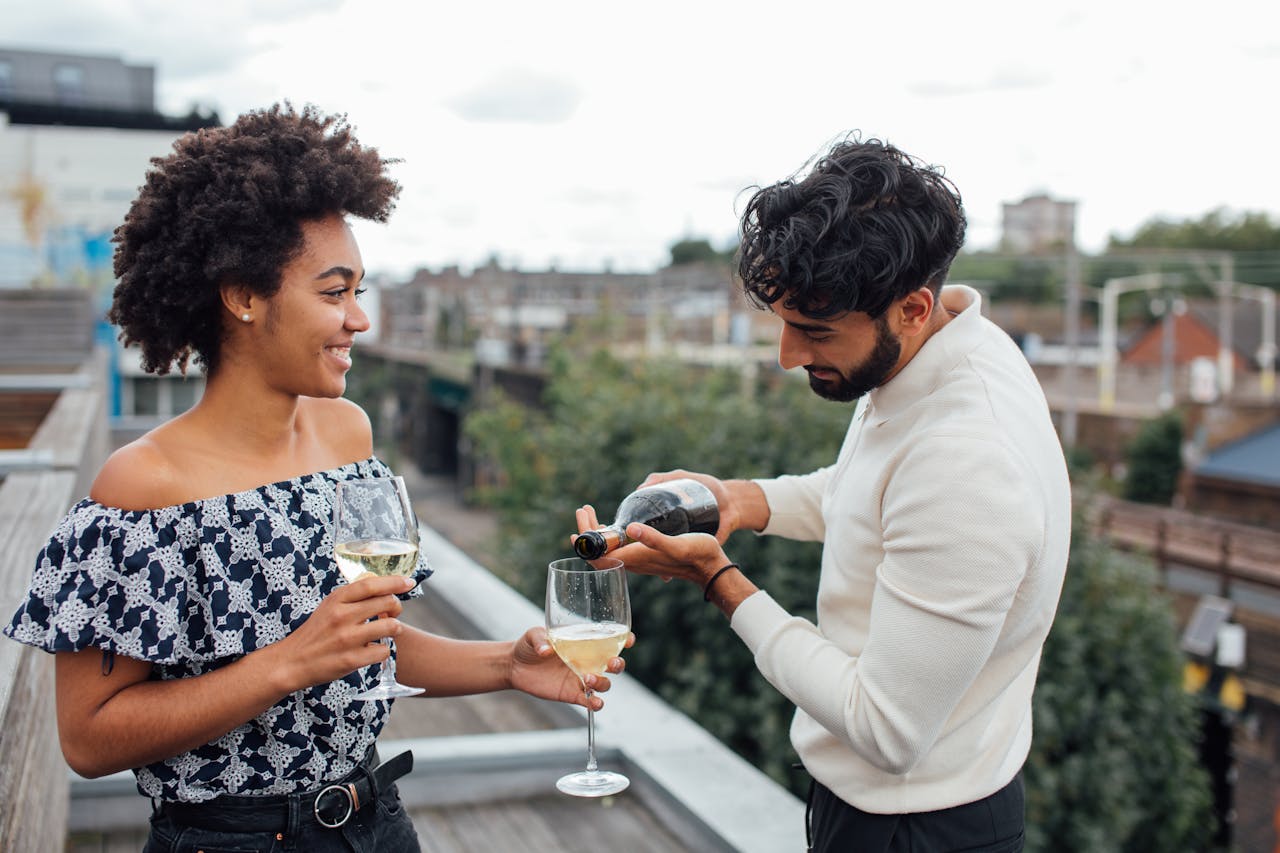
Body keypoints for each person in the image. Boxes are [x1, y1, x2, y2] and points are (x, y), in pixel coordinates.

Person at [4, 103, 628, 853]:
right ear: (242, 296)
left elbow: (369, 643)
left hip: (376, 821)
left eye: (358, 291)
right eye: (334, 293)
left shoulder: (347, 435)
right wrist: (286, 662)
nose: (358, 320)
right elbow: (90, 736)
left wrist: (508, 663)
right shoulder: (143, 488)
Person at [577, 136, 1070, 852]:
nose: (787, 354)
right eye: (782, 321)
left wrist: (715, 578)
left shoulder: (967, 460)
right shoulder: (950, 348)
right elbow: (872, 493)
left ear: (911, 307)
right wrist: (742, 499)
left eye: (814, 331)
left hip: (916, 827)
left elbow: (883, 726)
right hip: (897, 810)